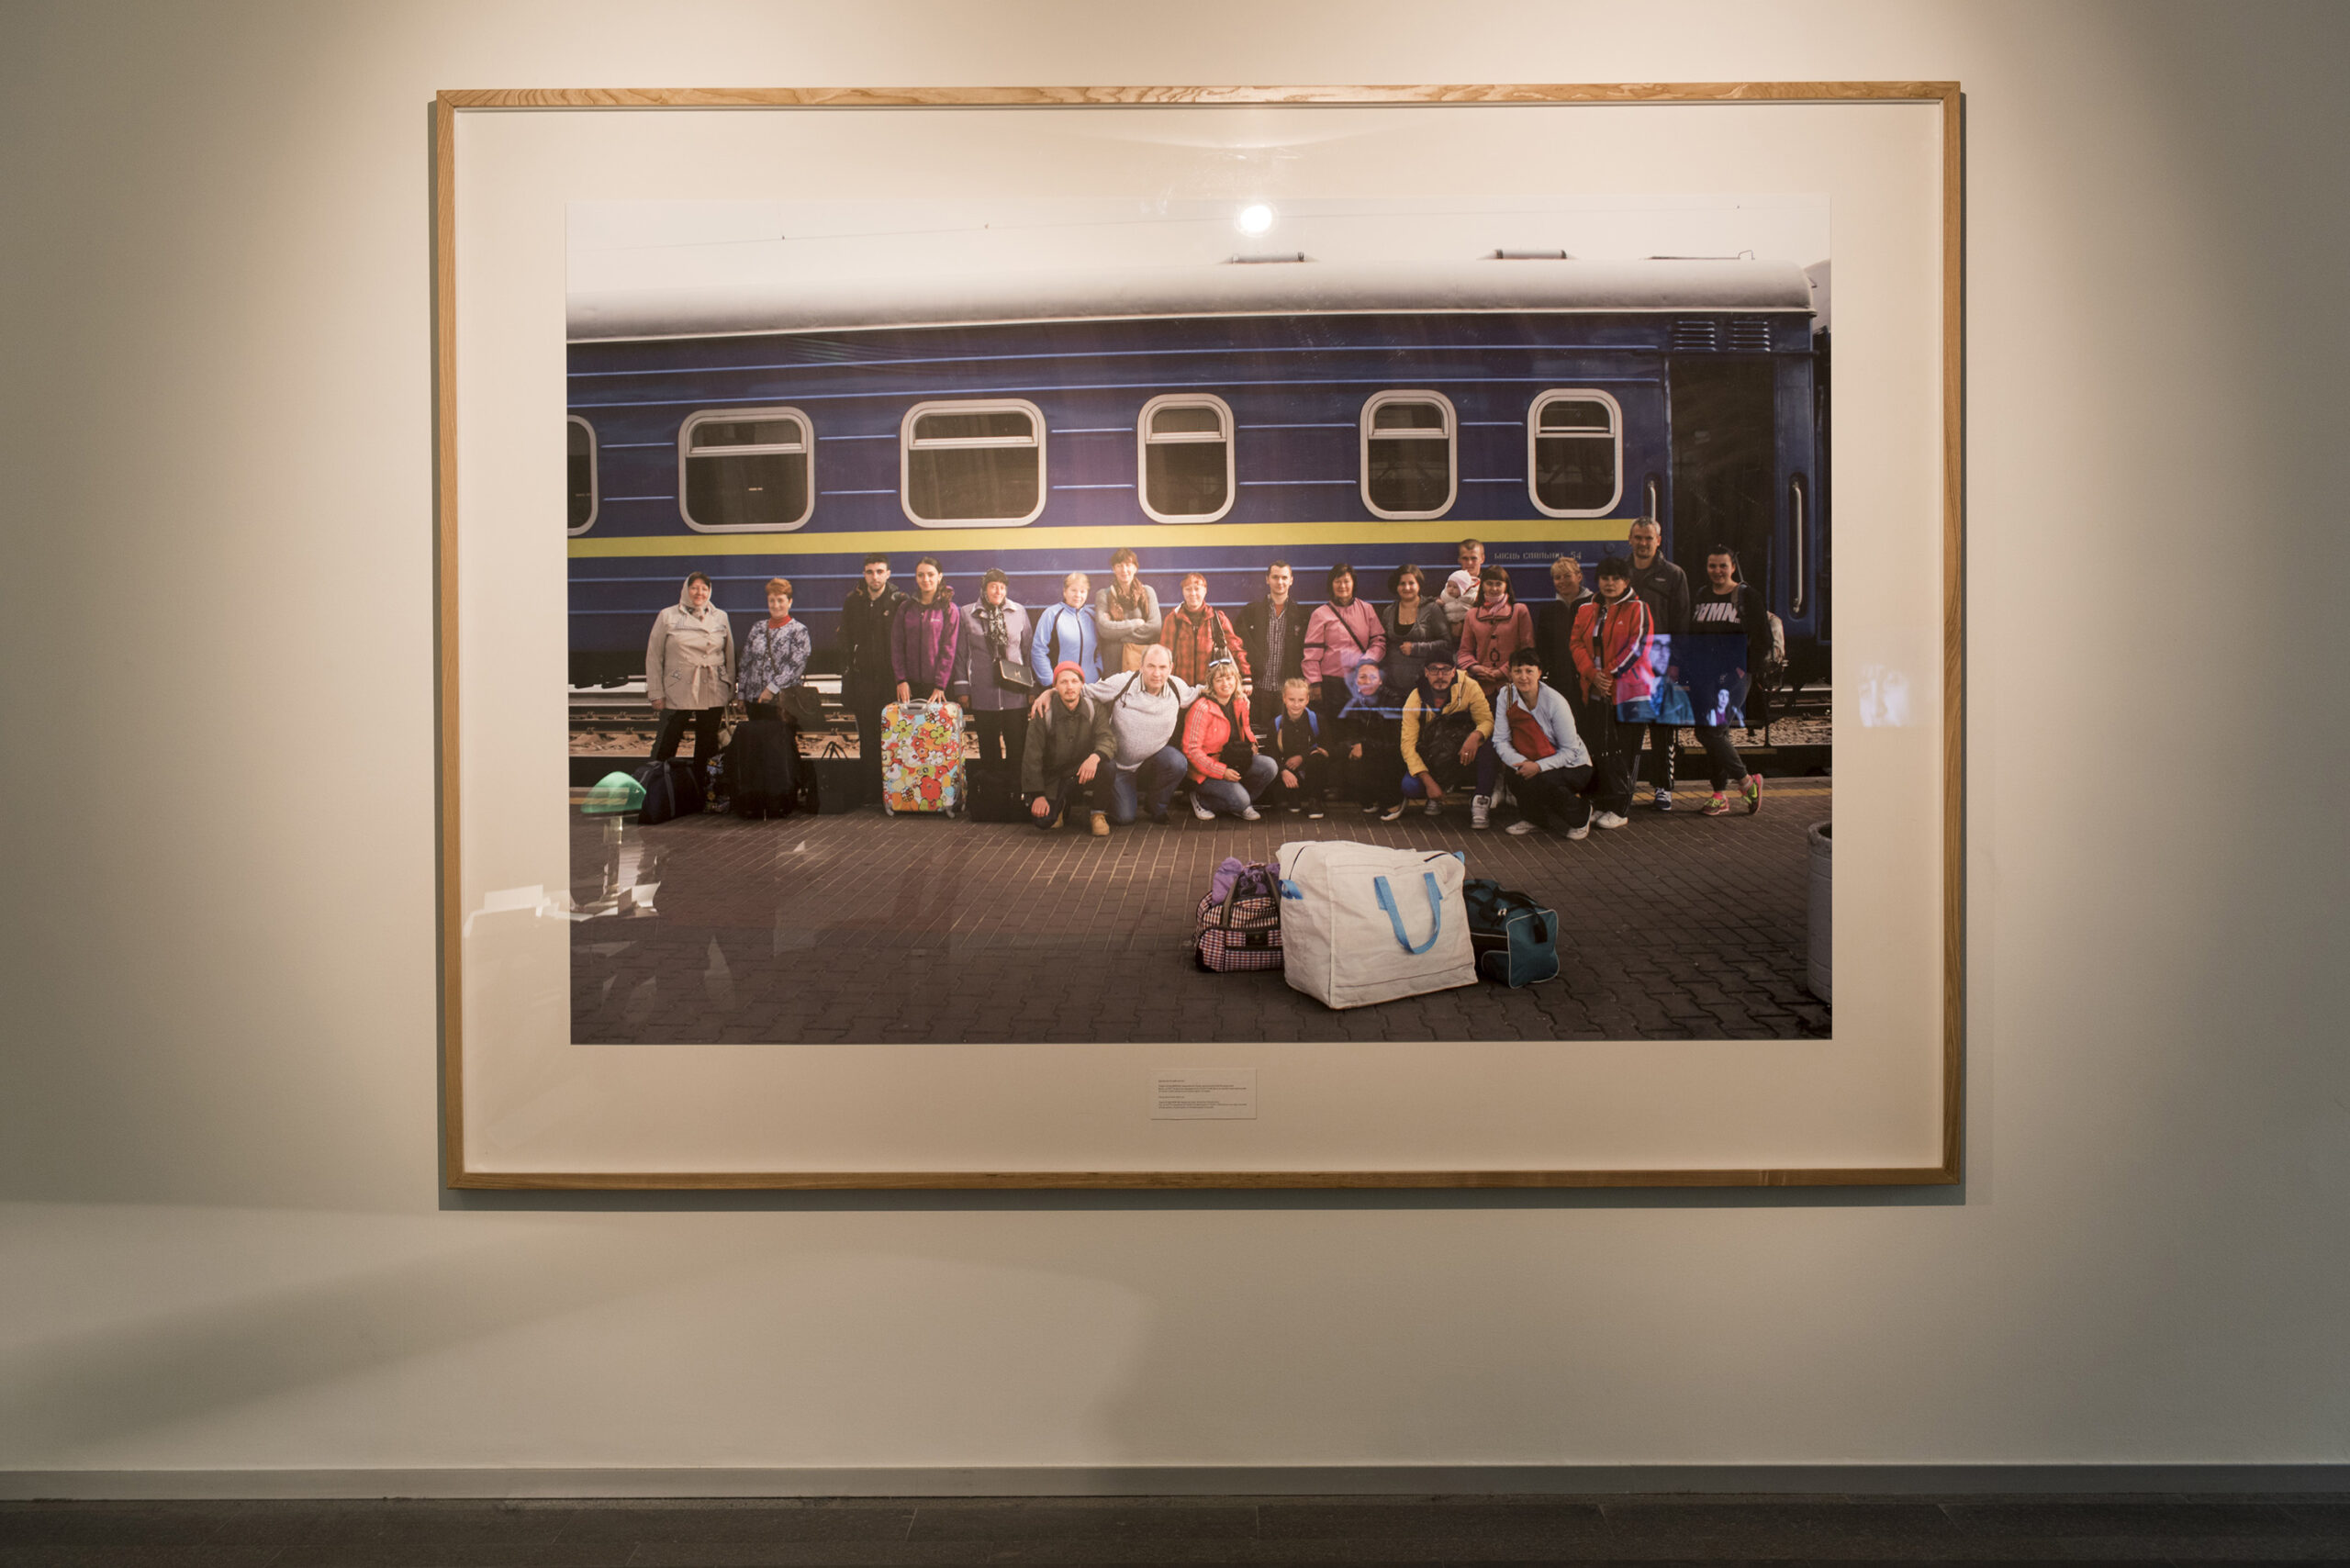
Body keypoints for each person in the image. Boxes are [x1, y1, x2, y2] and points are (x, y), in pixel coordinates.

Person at [1569, 554, 1653, 830]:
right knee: (1600, 750)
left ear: (1626, 581)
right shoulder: (1586, 609)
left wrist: (1608, 674)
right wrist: (1592, 675)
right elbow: (1576, 644)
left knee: (1624, 752)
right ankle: (1604, 803)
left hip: (1630, 694)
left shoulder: (1638, 608)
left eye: (1616, 578)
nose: (1609, 583)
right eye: (1605, 578)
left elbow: (1638, 646)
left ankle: (1620, 808)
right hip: (1596, 690)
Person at [1686, 544, 1770, 816]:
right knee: (1717, 733)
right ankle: (1719, 795)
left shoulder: (1747, 596)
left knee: (1710, 732)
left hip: (1734, 676)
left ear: (1733, 567)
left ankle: (1746, 782)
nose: (1718, 571)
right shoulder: (1701, 595)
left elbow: (1763, 638)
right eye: (1712, 566)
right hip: (1706, 675)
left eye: (1723, 565)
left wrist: (1744, 670)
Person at [644, 571, 736, 791]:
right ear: (686, 589)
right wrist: (656, 692)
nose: (699, 592)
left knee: (708, 743)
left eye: (704, 588)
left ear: (710, 591)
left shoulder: (720, 616)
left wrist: (730, 688)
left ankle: (702, 791)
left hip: (712, 687)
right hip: (678, 688)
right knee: (667, 741)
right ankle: (655, 789)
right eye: (694, 587)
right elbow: (654, 656)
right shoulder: (667, 616)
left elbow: (729, 654)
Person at [1491, 647, 1595, 839]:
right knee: (1516, 776)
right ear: (1510, 673)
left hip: (1574, 765)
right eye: (1517, 671)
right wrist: (1522, 763)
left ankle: (1581, 815)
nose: (1523, 677)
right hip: (1531, 757)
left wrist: (1538, 767)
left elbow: (1570, 750)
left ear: (1539, 672)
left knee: (1545, 780)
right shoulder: (1506, 695)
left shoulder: (1555, 702)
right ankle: (1535, 820)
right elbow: (1500, 740)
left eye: (1529, 671)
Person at [1625, 516, 1693, 810]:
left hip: (1662, 657)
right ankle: (1626, 786)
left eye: (1648, 538)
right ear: (1630, 539)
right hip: (1627, 659)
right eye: (1638, 538)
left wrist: (1676, 664)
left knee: (1662, 728)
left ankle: (1663, 788)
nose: (1643, 543)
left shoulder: (1674, 575)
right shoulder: (1620, 572)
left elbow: (1681, 621)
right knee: (1629, 727)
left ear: (1658, 541)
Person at [1393, 647, 1500, 826]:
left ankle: (1481, 800)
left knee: (1489, 743)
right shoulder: (1415, 698)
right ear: (1426, 672)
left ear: (1453, 671)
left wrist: (1475, 736)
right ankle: (1437, 792)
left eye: (1445, 670)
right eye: (1434, 670)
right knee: (1410, 786)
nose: (1440, 676)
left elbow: (1487, 721)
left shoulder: (1470, 686)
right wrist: (1429, 782)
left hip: (1464, 750)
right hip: (1435, 755)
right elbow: (1407, 745)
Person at [839, 554, 906, 807]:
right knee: (867, 738)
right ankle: (871, 792)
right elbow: (845, 641)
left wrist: (902, 678)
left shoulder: (899, 601)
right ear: (864, 574)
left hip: (891, 680)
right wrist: (847, 678)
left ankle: (895, 790)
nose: (875, 577)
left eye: (879, 571)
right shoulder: (852, 603)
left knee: (894, 737)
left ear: (888, 574)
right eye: (870, 572)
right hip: (864, 680)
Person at [954, 566, 1035, 776]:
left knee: (1017, 746)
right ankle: (994, 790)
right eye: (993, 587)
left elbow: (1028, 651)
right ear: (984, 589)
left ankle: (1015, 789)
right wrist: (962, 688)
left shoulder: (1019, 612)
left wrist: (1031, 689)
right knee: (988, 749)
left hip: (1015, 692)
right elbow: (960, 654)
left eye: (1002, 587)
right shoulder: (967, 613)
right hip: (983, 693)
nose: (998, 591)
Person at [1021, 662, 1113, 835]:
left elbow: (1107, 738)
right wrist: (1038, 795)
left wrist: (1094, 758)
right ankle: (1061, 804)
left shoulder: (1094, 708)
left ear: (1082, 684)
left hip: (1083, 771)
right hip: (1055, 777)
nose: (1070, 687)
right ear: (1055, 686)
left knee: (1108, 767)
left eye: (1074, 681)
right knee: (1043, 821)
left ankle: (1097, 814)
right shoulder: (1043, 712)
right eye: (1063, 682)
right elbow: (1032, 755)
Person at [1181, 656, 1277, 821]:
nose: (1225, 684)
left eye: (1229, 678)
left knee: (1269, 766)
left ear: (1236, 679)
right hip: (1207, 771)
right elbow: (1191, 750)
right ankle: (1202, 799)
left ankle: (1239, 802)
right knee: (1241, 800)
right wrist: (1221, 772)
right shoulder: (1201, 708)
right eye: (1219, 680)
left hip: (1234, 762)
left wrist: (1252, 744)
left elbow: (1246, 729)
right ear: (1211, 683)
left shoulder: (1241, 702)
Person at [1302, 561, 1386, 740]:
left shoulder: (1367, 609)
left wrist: (1367, 661)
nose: (1342, 586)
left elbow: (1379, 641)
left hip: (1360, 683)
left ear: (1353, 583)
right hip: (1331, 686)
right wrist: (1315, 684)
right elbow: (1311, 654)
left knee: (1359, 733)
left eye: (1346, 581)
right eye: (1337, 581)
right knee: (1334, 734)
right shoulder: (1320, 614)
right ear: (1331, 584)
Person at [1233, 559, 1309, 733]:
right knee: (1257, 734)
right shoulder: (1251, 611)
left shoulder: (1302, 614)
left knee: (1284, 735)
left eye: (1284, 577)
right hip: (1257, 688)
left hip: (1287, 690)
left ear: (1291, 580)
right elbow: (1238, 646)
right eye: (1275, 577)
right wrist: (1246, 677)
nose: (1280, 582)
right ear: (1267, 579)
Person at [737, 576, 811, 728]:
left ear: (790, 602)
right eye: (772, 600)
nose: (776, 605)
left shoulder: (799, 631)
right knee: (758, 740)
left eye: (780, 600)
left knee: (780, 741)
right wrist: (742, 695)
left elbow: (794, 668)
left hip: (782, 702)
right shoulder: (757, 628)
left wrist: (771, 690)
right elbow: (745, 663)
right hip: (754, 701)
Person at [1160, 570, 1250, 690]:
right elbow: (1164, 654)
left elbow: (1236, 649)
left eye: (1197, 589)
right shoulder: (1173, 619)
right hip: (1181, 690)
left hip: (1211, 689)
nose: (1193, 593)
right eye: (1188, 589)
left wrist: (1246, 676)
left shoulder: (1217, 619)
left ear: (1205, 590)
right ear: (1183, 591)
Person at [1338, 661, 1405, 816]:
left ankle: (1395, 799)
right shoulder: (1355, 702)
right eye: (1362, 677)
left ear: (1380, 680)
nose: (1367, 681)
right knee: (1345, 756)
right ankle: (1372, 796)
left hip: (1392, 754)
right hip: (1370, 749)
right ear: (1356, 680)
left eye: (1373, 677)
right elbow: (1350, 733)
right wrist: (1355, 746)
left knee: (1383, 760)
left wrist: (1365, 747)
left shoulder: (1394, 700)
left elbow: (1396, 743)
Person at [890, 555, 958, 706]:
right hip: (909, 687)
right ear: (916, 578)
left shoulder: (948, 609)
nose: (925, 579)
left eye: (931, 574)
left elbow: (949, 650)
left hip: (938, 689)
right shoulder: (906, 608)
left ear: (939, 577)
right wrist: (901, 680)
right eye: (920, 575)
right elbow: (897, 646)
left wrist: (940, 685)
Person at [1458, 564, 1533, 699]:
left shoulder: (1519, 611)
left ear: (1506, 586)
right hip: (1482, 687)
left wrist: (1503, 672)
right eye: (1489, 583)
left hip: (1513, 685)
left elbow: (1527, 649)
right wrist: (1476, 669)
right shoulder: (1472, 614)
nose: (1493, 588)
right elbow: (1464, 651)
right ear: (1482, 586)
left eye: (1498, 584)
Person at [1262, 677, 1333, 817]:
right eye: (1291, 699)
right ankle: (1292, 796)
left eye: (1301, 700)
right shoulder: (1275, 724)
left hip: (1312, 771)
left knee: (1318, 757)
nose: (1296, 704)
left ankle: (1314, 800)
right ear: (1284, 698)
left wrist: (1302, 757)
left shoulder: (1317, 720)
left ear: (1307, 700)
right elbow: (1271, 753)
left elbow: (1327, 746)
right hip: (1288, 771)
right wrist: (1283, 771)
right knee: (1276, 786)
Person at [1379, 563, 1451, 695]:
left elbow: (1447, 644)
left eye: (1411, 583)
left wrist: (1416, 648)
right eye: (1402, 583)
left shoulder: (1431, 609)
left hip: (1424, 684)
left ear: (1419, 584)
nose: (1407, 587)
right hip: (1393, 686)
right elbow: (1383, 644)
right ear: (1397, 586)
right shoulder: (1389, 611)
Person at [1093, 547, 1162, 674]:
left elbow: (1154, 628)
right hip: (1113, 662)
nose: (1124, 570)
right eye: (1119, 566)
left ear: (1135, 568)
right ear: (1114, 569)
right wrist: (1135, 623)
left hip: (1140, 659)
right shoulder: (1103, 595)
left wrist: (1116, 635)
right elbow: (1104, 629)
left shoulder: (1148, 592)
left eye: (1128, 565)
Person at [1029, 571, 1100, 685]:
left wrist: (1098, 672)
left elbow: (1101, 649)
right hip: (1062, 686)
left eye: (1082, 591)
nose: (1078, 595)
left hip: (1090, 685)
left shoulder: (1093, 616)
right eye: (1073, 590)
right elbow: (1039, 649)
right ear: (1065, 592)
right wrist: (1050, 682)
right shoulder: (1051, 614)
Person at [1438, 537, 1485, 635]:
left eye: (1474, 558)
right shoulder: (1450, 582)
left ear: (1482, 559)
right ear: (1459, 559)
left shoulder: (1488, 583)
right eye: (1465, 558)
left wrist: (1463, 624)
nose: (1469, 563)